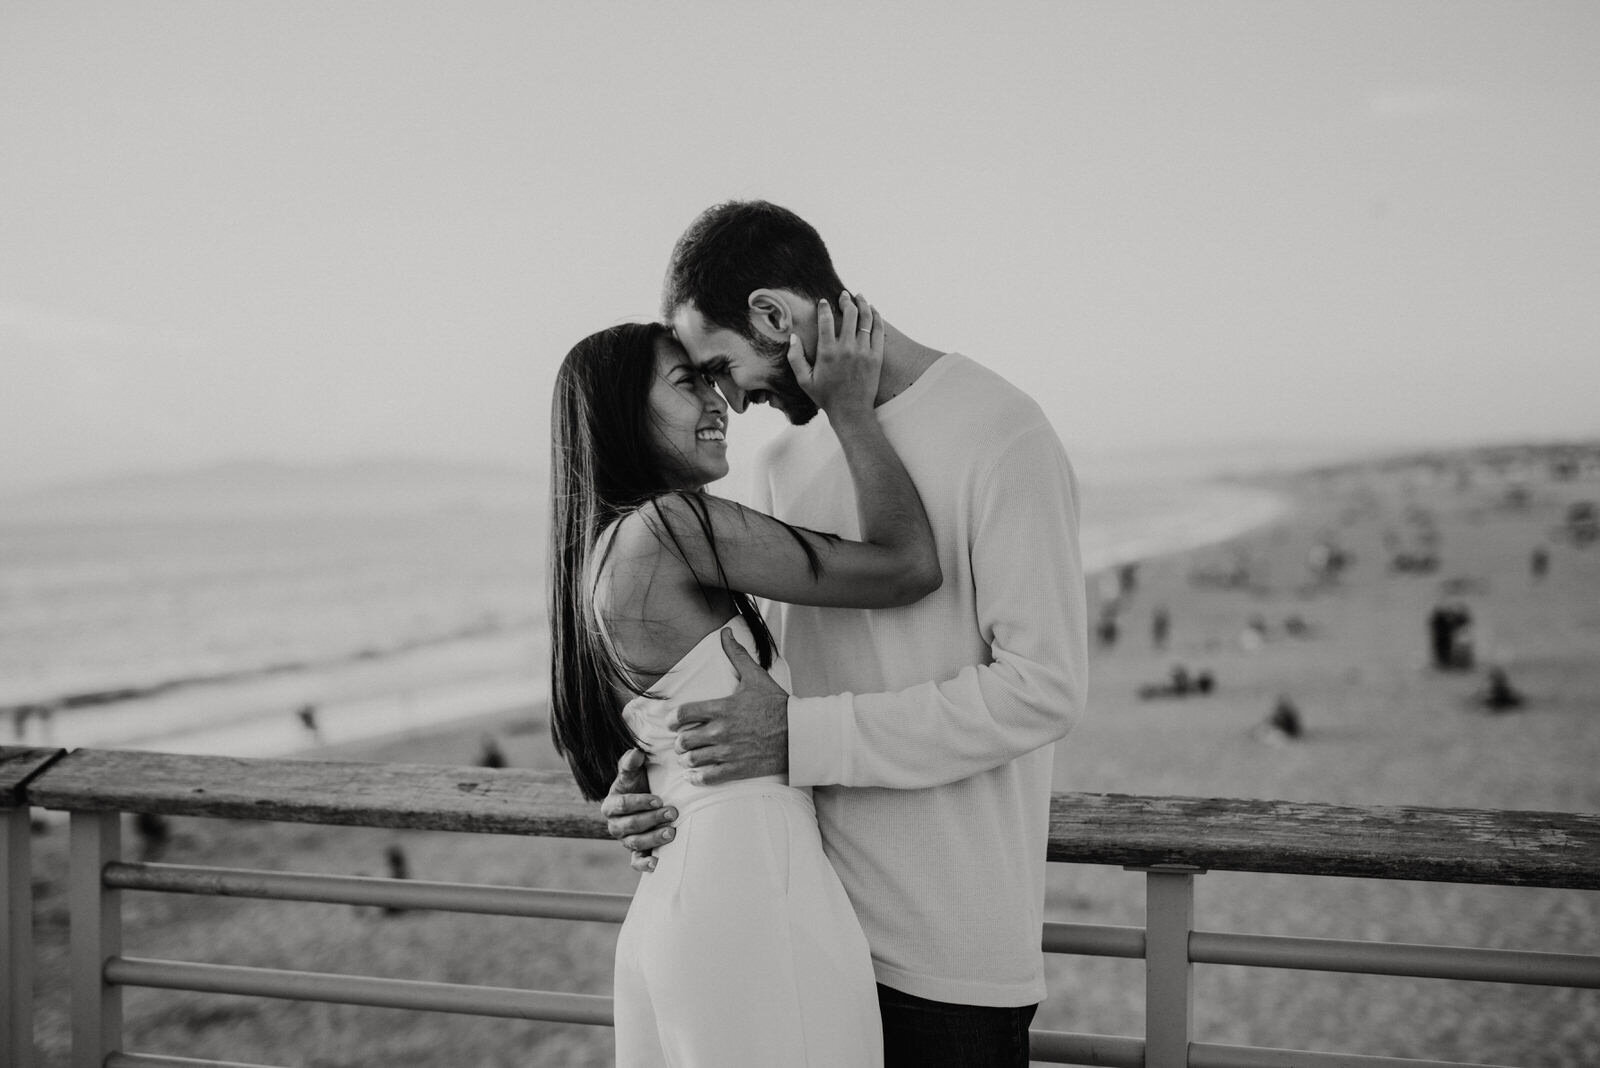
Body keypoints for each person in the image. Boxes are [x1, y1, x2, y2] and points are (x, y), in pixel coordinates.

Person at [603, 200, 1087, 1068]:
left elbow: (1041, 689)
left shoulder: (1001, 432)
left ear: (773, 316)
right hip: (802, 924)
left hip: (946, 956)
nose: (731, 401)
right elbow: (774, 681)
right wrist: (665, 778)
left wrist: (800, 737)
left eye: (722, 366)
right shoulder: (786, 462)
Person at [550, 297, 941, 1066]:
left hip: (684, 894)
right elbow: (908, 565)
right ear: (625, 413)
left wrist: (640, 790)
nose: (719, 401)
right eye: (687, 383)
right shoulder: (668, 530)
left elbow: (642, 746)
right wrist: (852, 412)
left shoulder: (598, 557)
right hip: (749, 889)